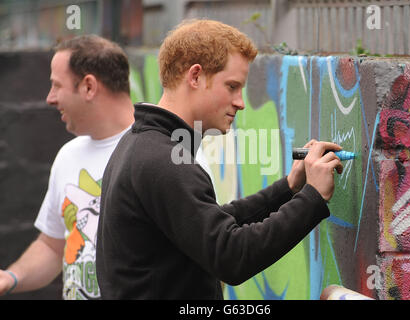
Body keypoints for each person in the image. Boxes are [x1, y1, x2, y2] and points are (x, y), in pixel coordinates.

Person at [96, 19, 344, 299]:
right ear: (195, 76)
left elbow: (206, 225)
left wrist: (289, 188)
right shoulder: (163, 160)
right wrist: (313, 197)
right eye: (232, 86)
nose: (241, 102)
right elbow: (231, 255)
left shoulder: (141, 143)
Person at [0, 35, 135, 300]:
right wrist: (11, 278)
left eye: (56, 86)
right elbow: (52, 246)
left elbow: (202, 256)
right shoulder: (68, 155)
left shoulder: (164, 150)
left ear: (88, 87)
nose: (50, 98)